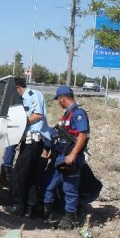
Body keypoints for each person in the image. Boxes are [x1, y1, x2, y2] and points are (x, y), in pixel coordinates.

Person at [43, 85, 90, 229]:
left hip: (70, 158)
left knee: (69, 188)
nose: (58, 102)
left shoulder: (78, 113)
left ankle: (69, 219)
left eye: (58, 99)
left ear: (63, 98)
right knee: (48, 185)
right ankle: (47, 215)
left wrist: (73, 155)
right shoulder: (65, 116)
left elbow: (82, 135)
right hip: (59, 156)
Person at [7, 77, 51, 217]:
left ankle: (18, 206)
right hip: (30, 141)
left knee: (19, 174)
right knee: (30, 175)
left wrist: (21, 122)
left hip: (34, 141)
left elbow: (38, 115)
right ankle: (29, 209)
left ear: (18, 88)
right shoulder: (21, 100)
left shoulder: (32, 95)